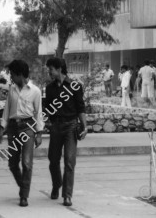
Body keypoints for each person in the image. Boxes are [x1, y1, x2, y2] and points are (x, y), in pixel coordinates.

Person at [0, 60, 44, 207]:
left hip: (28, 128)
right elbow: (7, 109)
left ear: (20, 74)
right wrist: (2, 128)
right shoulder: (12, 89)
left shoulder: (35, 91)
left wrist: (39, 133)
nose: (11, 77)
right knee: (12, 163)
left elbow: (38, 113)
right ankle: (23, 186)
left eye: (12, 74)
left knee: (27, 163)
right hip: (12, 128)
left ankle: (24, 196)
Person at [45, 57, 87, 207]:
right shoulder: (49, 89)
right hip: (55, 127)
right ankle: (57, 185)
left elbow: (81, 108)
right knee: (53, 160)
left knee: (70, 161)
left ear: (59, 69)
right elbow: (47, 109)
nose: (48, 71)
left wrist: (85, 126)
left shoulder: (75, 86)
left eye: (50, 69)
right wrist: (47, 123)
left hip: (71, 127)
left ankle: (67, 195)